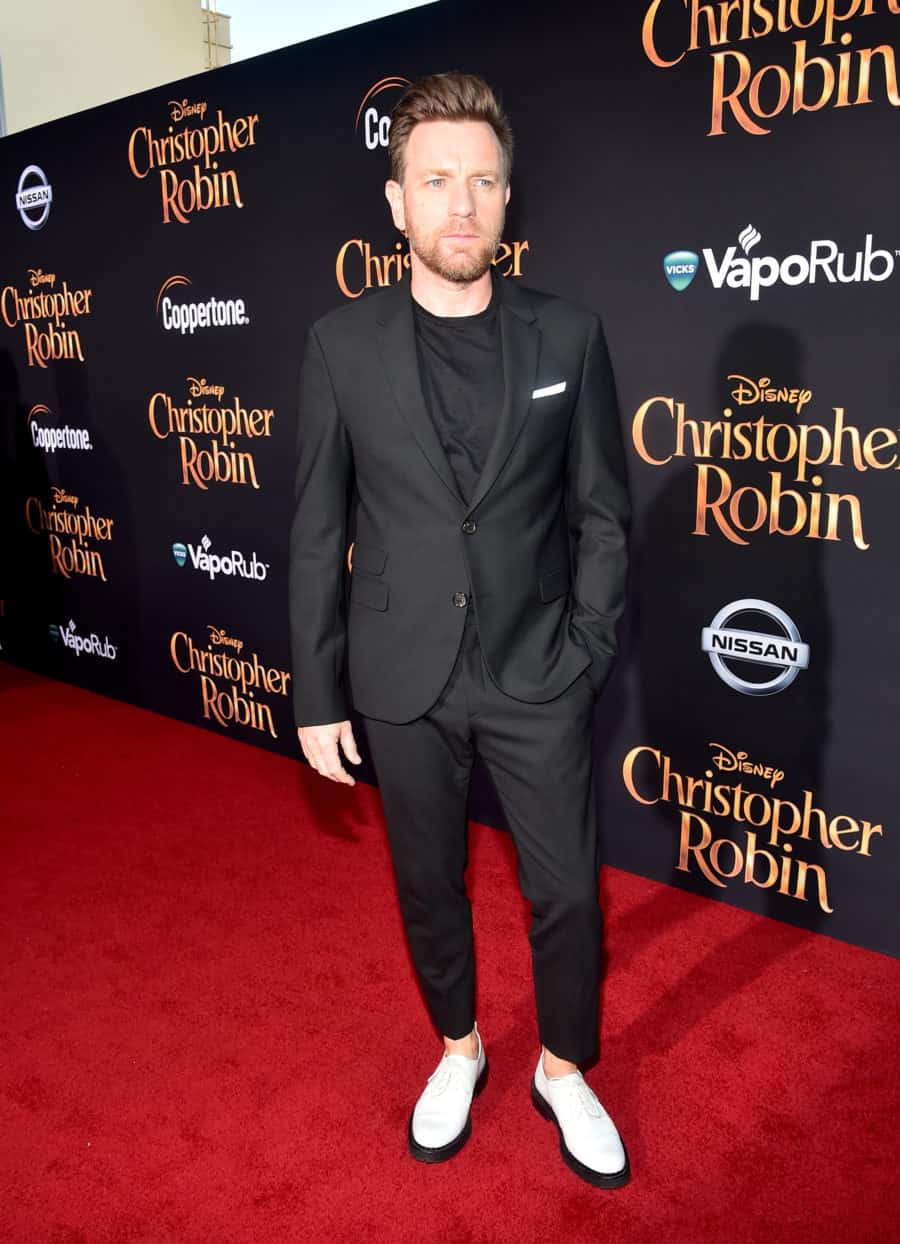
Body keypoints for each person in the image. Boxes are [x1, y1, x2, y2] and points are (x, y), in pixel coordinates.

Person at [289, 71, 631, 1189]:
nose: (461, 204)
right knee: (428, 882)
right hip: (401, 672)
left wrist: (586, 650)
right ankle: (460, 1047)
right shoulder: (341, 347)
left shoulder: (569, 336)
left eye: (481, 181)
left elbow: (601, 511)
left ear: (506, 197)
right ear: (396, 204)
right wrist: (319, 689)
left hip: (540, 666)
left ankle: (565, 1067)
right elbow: (315, 528)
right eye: (435, 181)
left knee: (570, 887)